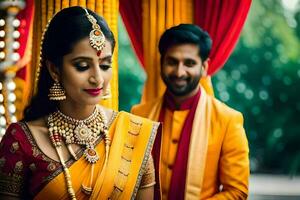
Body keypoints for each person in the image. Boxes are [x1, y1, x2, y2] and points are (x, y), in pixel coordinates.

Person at [0, 6, 159, 200]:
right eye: (82, 66)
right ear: (54, 69)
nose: (98, 79)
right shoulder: (20, 140)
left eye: (105, 65)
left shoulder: (132, 135)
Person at [131, 24, 249, 199]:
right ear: (161, 63)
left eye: (189, 63)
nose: (179, 72)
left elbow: (237, 192)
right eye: (172, 62)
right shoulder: (139, 114)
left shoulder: (228, 120)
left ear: (204, 67)